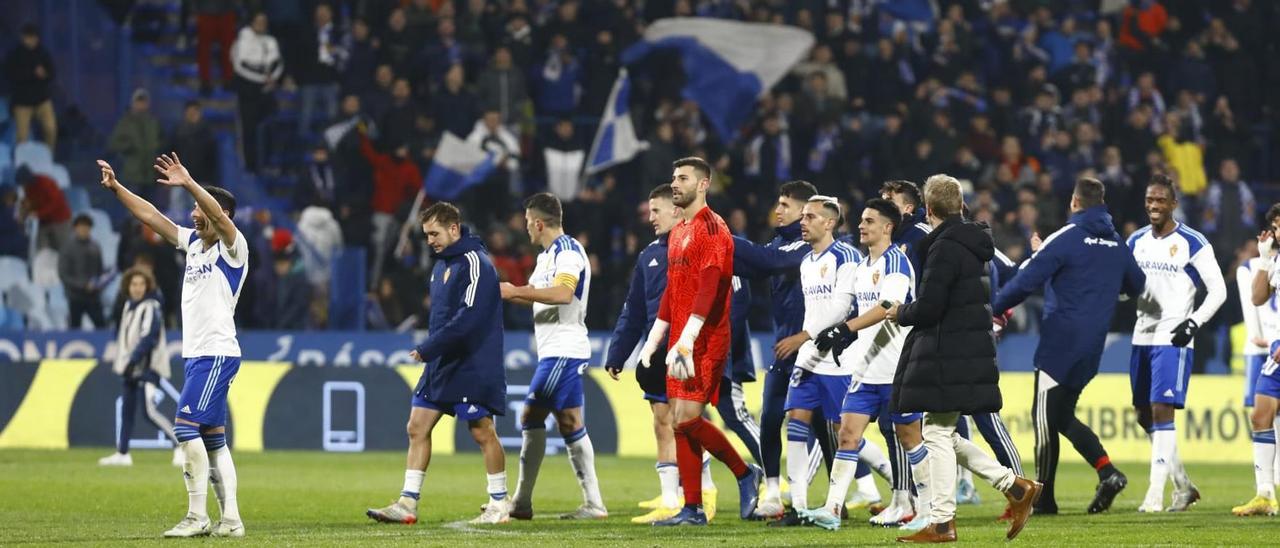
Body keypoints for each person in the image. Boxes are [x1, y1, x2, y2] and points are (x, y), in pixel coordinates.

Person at [885, 174, 1040, 542]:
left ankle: (942, 520)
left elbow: (931, 307)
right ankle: (1014, 486)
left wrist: (900, 312)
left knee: (936, 433)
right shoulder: (973, 242)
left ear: (928, 209)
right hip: (968, 346)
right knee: (942, 432)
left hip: (948, 350)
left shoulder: (943, 246)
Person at [99, 153, 246, 538]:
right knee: (214, 441)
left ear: (220, 213)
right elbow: (151, 217)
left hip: (216, 352)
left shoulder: (233, 248)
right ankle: (230, 520)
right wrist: (117, 190)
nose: (193, 213)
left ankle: (197, 516)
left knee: (184, 427)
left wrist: (189, 181)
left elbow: (218, 218)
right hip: (198, 355)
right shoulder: (194, 245)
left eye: (199, 208)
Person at [992, 178, 1146, 515]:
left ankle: (1044, 500)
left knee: (1044, 420)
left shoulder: (1064, 238)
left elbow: (1025, 282)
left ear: (1075, 202)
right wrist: (1106, 292)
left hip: (1060, 341)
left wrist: (992, 308)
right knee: (1062, 416)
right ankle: (1108, 472)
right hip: (1093, 346)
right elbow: (1137, 283)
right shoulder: (1117, 243)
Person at [365, 202, 510, 526]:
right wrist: (435, 352)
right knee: (416, 427)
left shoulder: (476, 263)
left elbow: (469, 318)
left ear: (454, 228)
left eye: (435, 233)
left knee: (482, 431)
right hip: (442, 364)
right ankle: (407, 502)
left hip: (471, 362)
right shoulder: (441, 265)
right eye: (426, 234)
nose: (429, 240)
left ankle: (499, 504)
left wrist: (429, 348)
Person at [636, 157, 762, 526]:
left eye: (683, 178)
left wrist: (688, 339)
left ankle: (744, 473)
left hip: (705, 339)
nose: (675, 183)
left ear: (703, 184)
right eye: (673, 177)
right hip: (679, 338)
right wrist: (655, 339)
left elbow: (709, 288)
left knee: (688, 419)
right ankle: (691, 508)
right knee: (678, 421)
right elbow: (672, 291)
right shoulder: (679, 230)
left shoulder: (712, 229)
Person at [802, 198, 924, 531]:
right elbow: (861, 312)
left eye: (869, 221)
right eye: (861, 221)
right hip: (865, 370)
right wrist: (844, 338)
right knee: (847, 434)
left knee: (911, 439)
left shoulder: (897, 262)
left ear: (887, 227)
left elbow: (888, 305)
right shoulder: (861, 267)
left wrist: (846, 328)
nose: (861, 226)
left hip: (897, 369)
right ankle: (832, 508)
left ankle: (927, 509)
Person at [731, 180, 847, 518]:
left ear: (804, 212)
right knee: (770, 418)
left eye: (785, 205)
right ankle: (773, 493)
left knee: (831, 430)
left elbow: (768, 261)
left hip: (817, 349)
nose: (777, 210)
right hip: (784, 348)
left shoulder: (807, 250)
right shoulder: (780, 245)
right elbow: (754, 264)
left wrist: (722, 235)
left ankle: (841, 497)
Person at [500, 193, 607, 520]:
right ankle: (593, 503)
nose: (525, 229)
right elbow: (536, 297)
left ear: (538, 223)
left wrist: (515, 290)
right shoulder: (547, 256)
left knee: (531, 415)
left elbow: (562, 293)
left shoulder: (568, 252)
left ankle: (521, 501)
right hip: (555, 350)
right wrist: (502, 291)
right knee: (569, 422)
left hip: (564, 349)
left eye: (527, 223)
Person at [1127, 173, 1226, 513]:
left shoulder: (1192, 242)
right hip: (1142, 335)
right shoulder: (1136, 240)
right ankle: (1183, 485)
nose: (1153, 206)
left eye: (1160, 200)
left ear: (1173, 204)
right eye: (1149, 200)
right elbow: (1126, 283)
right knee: (1143, 415)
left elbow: (1219, 291)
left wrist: (1193, 323)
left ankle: (1155, 494)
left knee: (1161, 410)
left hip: (1173, 337)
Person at [767, 196, 860, 527]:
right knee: (796, 420)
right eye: (802, 216)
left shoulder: (847, 256)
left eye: (810, 216)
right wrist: (805, 350)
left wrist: (801, 337)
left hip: (840, 360)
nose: (802, 222)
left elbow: (840, 309)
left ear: (829, 222)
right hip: (811, 359)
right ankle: (801, 506)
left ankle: (881, 487)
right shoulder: (807, 261)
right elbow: (814, 310)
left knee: (846, 430)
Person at [604, 184, 679, 523]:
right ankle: (670, 499)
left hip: (687, 350)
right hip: (655, 350)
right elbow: (633, 310)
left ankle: (702, 491)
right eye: (649, 212)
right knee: (662, 422)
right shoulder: (649, 255)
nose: (650, 218)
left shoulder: (696, 247)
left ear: (676, 210)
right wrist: (618, 352)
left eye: (656, 211)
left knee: (685, 423)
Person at [98, 268, 183, 468]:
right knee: (127, 411)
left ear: (147, 286)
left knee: (149, 411)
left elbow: (149, 338)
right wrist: (124, 363)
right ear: (128, 286)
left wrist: (133, 361)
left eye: (141, 284)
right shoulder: (129, 306)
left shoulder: (151, 307)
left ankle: (180, 446)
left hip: (147, 367)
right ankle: (123, 453)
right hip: (130, 368)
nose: (137, 288)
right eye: (134, 284)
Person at [1237, 206, 1280, 517]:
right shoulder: (1275, 260)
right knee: (1260, 416)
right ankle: (1264, 494)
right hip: (1277, 351)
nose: (1278, 231)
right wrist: (1264, 260)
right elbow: (1257, 297)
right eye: (1276, 226)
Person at [229, 12, 282, 171]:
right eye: (258, 21)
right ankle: (250, 166)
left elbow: (278, 62)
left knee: (271, 126)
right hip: (247, 91)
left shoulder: (270, 41)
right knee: (249, 130)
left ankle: (269, 162)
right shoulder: (242, 40)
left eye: (264, 21)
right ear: (251, 22)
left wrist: (272, 77)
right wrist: (262, 77)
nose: (261, 24)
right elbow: (240, 65)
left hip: (266, 91)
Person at [4, 24, 57, 148]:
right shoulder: (15, 54)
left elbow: (52, 73)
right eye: (29, 37)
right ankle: (21, 163)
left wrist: (44, 74)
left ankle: (48, 158)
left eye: (34, 37)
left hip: (42, 100)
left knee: (50, 128)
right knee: (22, 137)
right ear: (23, 38)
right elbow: (10, 75)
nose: (31, 40)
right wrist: (32, 73)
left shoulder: (43, 53)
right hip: (22, 102)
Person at [59, 214, 106, 329]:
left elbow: (100, 270)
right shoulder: (68, 248)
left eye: (87, 227)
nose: (84, 229)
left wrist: (99, 283)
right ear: (75, 228)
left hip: (93, 296)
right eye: (81, 227)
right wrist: (83, 286)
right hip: (75, 297)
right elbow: (64, 274)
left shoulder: (95, 247)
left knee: (102, 327)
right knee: (74, 328)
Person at [17, 165, 71, 251]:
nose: (23, 186)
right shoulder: (27, 188)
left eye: (24, 183)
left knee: (64, 249)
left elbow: (55, 203)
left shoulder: (46, 183)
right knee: (42, 250)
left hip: (61, 220)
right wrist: (23, 213)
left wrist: (38, 213)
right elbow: (31, 204)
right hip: (44, 222)